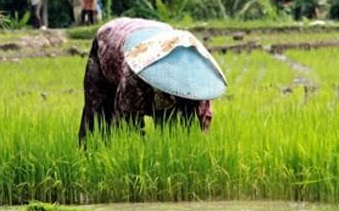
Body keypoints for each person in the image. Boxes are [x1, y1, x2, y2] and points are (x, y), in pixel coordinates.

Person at [78, 17, 227, 144]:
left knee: (177, 131)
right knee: (99, 117)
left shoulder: (196, 81)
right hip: (112, 40)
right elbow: (126, 123)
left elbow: (202, 122)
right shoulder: (135, 72)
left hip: (156, 33)